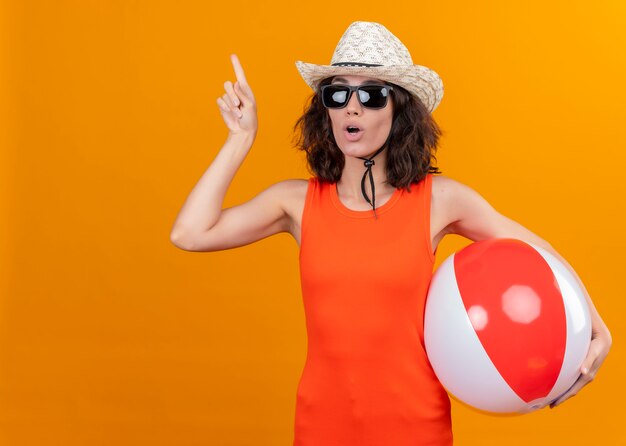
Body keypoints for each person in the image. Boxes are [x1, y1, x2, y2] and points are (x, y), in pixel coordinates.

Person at [170, 21, 611, 446]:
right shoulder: (295, 203)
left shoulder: (440, 200)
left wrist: (596, 329)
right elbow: (190, 233)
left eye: (372, 95)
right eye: (337, 93)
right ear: (325, 109)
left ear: (400, 110)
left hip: (416, 429)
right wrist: (239, 140)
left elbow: (539, 253)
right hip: (322, 429)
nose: (352, 107)